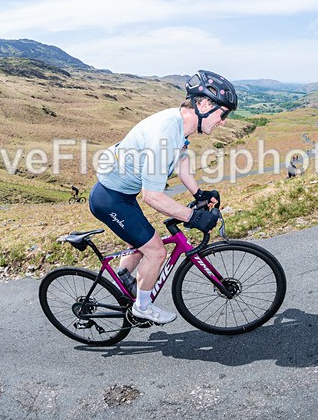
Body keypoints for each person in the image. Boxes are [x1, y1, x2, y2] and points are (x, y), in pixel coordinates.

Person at [88, 70, 237, 324]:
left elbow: (181, 160)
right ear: (203, 105)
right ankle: (142, 307)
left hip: (121, 193)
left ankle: (123, 278)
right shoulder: (164, 136)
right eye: (223, 113)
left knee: (143, 242)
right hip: (110, 199)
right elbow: (153, 197)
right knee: (156, 251)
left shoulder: (179, 124)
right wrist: (193, 216)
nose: (223, 121)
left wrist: (198, 193)